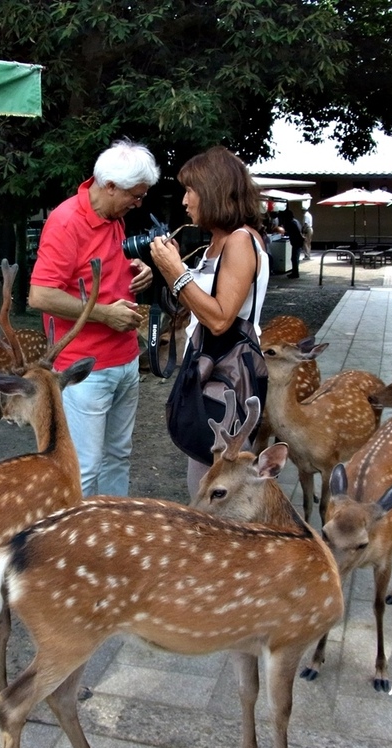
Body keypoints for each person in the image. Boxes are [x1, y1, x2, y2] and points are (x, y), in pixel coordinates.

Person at [28, 139, 159, 497]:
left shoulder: (112, 217)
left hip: (125, 359)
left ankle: (110, 534)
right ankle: (75, 545)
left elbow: (99, 276)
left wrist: (140, 271)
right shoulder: (66, 221)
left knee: (119, 456)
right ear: (110, 185)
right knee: (84, 466)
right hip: (85, 369)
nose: (139, 203)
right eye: (135, 194)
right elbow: (40, 295)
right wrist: (104, 315)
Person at [150, 146, 270, 497]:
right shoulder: (216, 243)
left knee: (214, 488)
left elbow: (219, 319)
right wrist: (164, 274)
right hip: (208, 373)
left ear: (213, 190)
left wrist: (175, 273)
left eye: (191, 191)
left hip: (227, 379)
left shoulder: (239, 241)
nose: (185, 201)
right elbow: (200, 305)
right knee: (204, 478)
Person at [277, 207, 306, 278]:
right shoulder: (295, 221)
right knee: (295, 258)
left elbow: (294, 232)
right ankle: (295, 272)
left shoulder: (292, 223)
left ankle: (295, 273)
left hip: (296, 242)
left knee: (294, 258)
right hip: (298, 242)